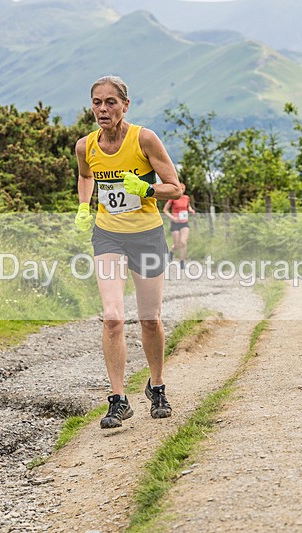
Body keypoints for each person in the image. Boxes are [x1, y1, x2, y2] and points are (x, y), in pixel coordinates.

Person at [74, 75, 182, 429]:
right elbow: (86, 176)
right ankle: (118, 399)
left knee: (149, 319)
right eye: (97, 102)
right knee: (113, 317)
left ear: (125, 105)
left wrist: (147, 189)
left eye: (111, 102)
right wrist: (83, 205)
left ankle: (157, 386)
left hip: (147, 236)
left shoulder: (144, 139)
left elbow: (175, 187)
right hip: (108, 237)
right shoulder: (85, 146)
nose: (103, 109)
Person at [163, 182, 195, 268]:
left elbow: (188, 207)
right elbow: (165, 210)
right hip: (175, 223)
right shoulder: (172, 198)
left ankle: (182, 262)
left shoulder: (186, 198)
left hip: (184, 222)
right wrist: (173, 217)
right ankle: (171, 252)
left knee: (183, 242)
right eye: (180, 189)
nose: (181, 191)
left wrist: (191, 210)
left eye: (183, 189)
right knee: (176, 245)